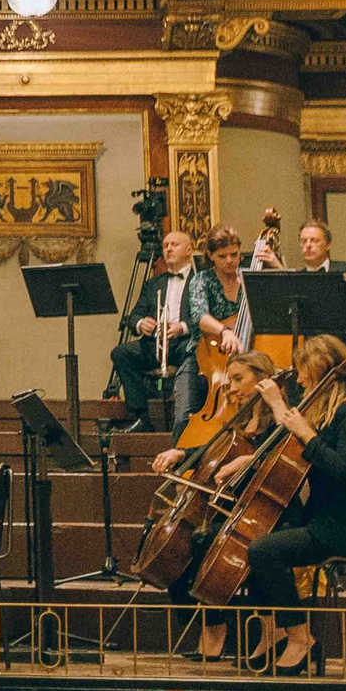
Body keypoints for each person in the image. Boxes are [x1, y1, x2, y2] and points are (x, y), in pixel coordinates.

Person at [235, 335, 346, 676]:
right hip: (323, 519)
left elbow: (341, 468)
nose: (299, 381)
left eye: (304, 373)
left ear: (320, 372)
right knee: (257, 537)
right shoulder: (324, 415)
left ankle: (301, 638)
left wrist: (306, 433)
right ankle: (274, 635)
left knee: (264, 551)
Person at [148, 347, 273, 661]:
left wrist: (251, 459)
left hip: (255, 512)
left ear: (262, 378)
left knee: (199, 541)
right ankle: (205, 626)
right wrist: (181, 453)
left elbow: (274, 462)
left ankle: (216, 630)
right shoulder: (238, 422)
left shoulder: (276, 425)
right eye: (229, 379)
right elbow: (213, 449)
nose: (230, 387)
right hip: (227, 508)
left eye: (238, 379)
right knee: (172, 545)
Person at [107, 227, 197, 433]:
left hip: (184, 343)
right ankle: (141, 417)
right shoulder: (153, 283)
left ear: (189, 250)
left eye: (174, 245)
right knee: (121, 353)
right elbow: (134, 315)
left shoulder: (199, 280)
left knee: (193, 352)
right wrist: (141, 324)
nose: (168, 249)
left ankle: (187, 418)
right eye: (165, 245)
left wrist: (182, 327)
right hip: (156, 343)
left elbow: (205, 317)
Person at [182, 227, 257, 425]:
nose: (229, 260)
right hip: (205, 355)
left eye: (234, 254)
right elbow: (199, 315)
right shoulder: (202, 280)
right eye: (222, 256)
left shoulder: (249, 278)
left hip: (242, 354)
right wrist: (225, 332)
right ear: (211, 255)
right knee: (185, 414)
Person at [294, 220, 346, 355]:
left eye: (314, 240)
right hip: (309, 353)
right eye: (304, 241)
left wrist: (334, 339)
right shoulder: (296, 279)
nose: (307, 245)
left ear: (328, 245)